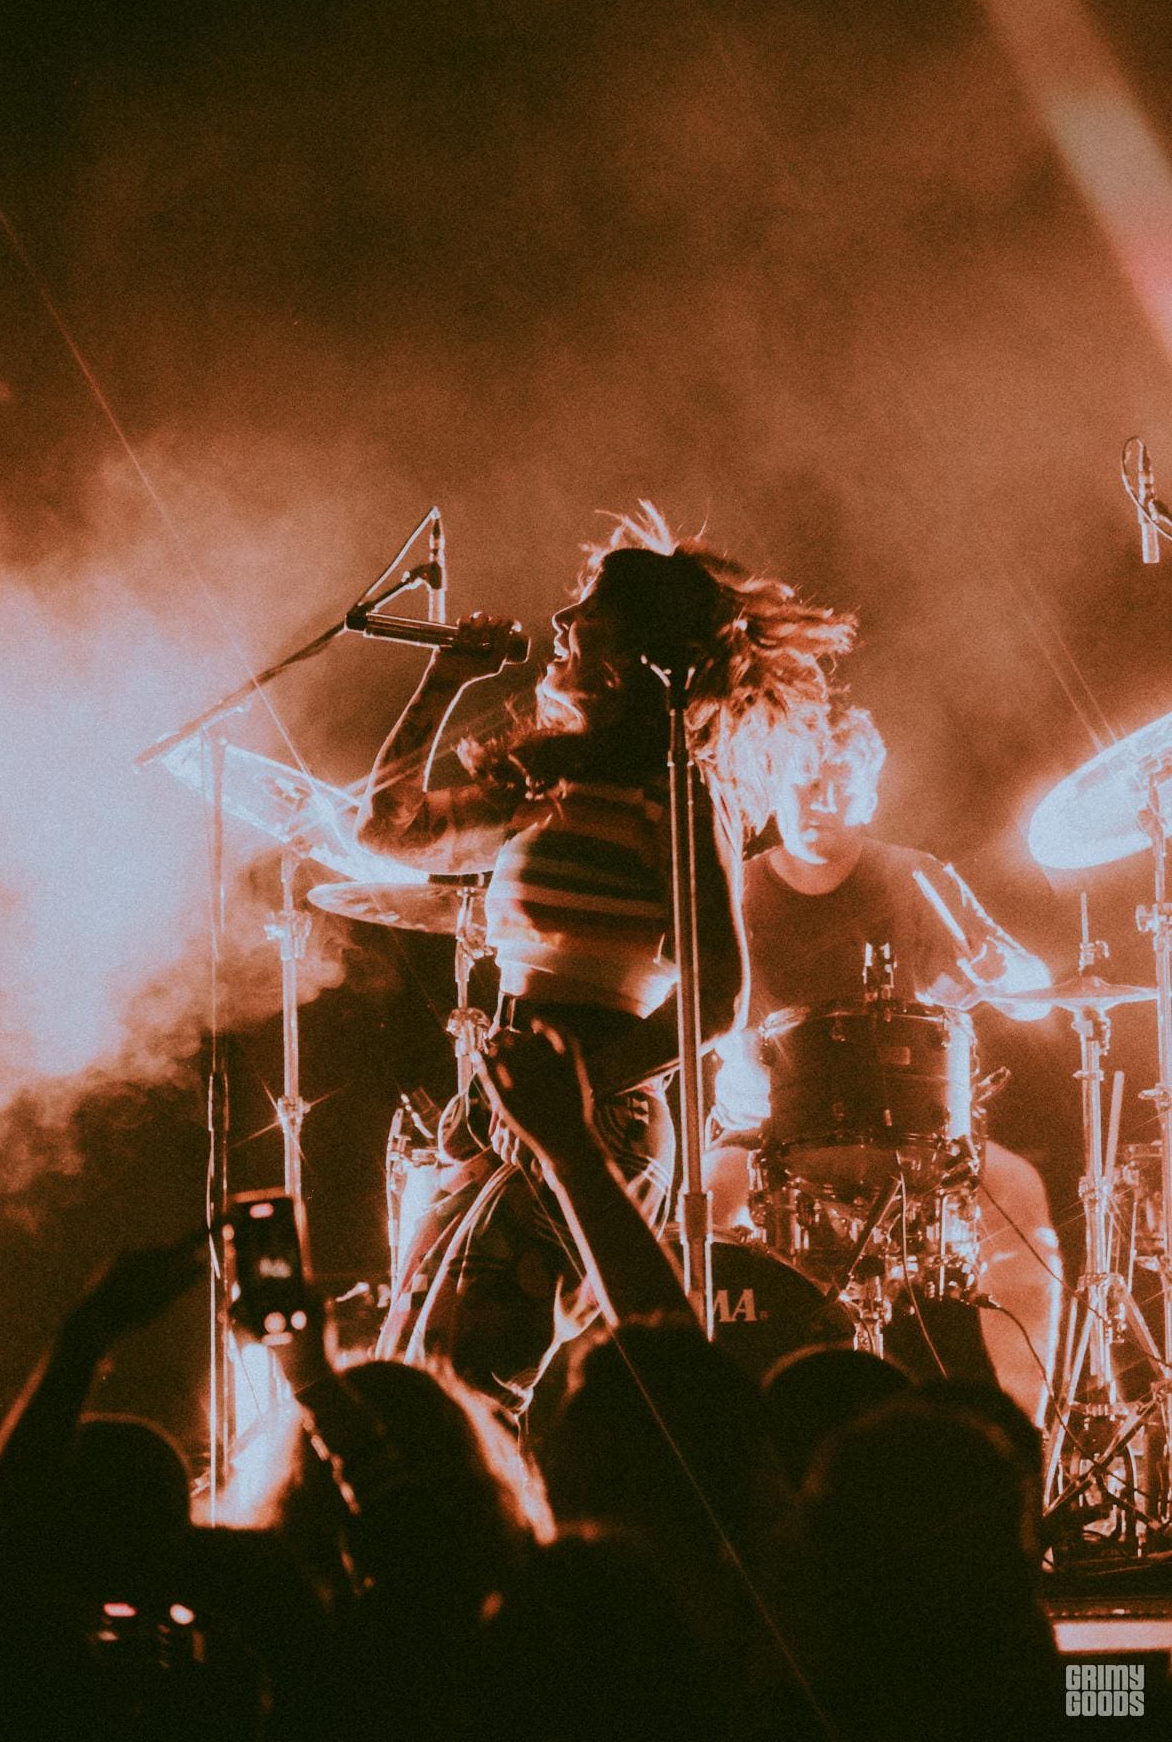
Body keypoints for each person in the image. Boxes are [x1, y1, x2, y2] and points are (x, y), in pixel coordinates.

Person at [356, 506, 853, 1411]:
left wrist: (573, 1098)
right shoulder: (545, 778)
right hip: (504, 1108)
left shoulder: (679, 792)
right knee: (420, 1364)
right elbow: (389, 830)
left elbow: (718, 996)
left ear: (631, 649)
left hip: (596, 1115)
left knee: (479, 1365)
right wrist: (445, 677)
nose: (560, 620)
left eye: (586, 608)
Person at [709, 705, 1062, 1420]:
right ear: (775, 790)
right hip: (764, 1140)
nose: (822, 802)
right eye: (806, 784)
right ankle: (711, 1434)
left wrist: (1007, 976)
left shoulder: (917, 878)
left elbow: (1035, 993)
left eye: (841, 787)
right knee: (695, 1222)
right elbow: (680, 1017)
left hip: (918, 1141)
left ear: (870, 797)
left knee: (1021, 1203)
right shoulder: (731, 891)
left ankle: (1027, 1441)